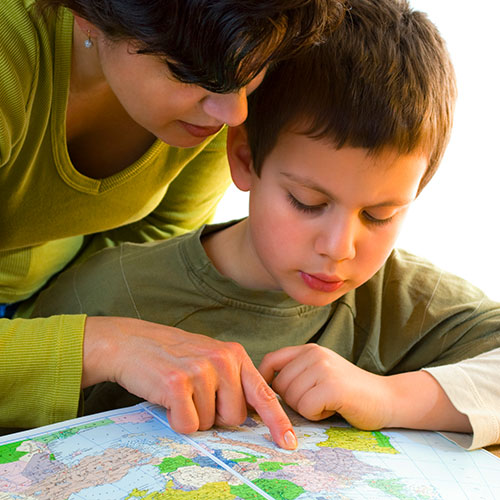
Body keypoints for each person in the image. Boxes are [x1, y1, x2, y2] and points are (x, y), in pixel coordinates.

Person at [29, 0, 500, 450]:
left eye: (380, 214)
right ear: (244, 159)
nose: (339, 248)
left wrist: (388, 397)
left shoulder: (404, 300)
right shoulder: (110, 296)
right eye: (306, 201)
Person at [0, 0, 344, 449]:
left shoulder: (216, 99)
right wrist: (106, 345)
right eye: (192, 74)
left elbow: (134, 270)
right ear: (89, 12)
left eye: (252, 70)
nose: (235, 113)